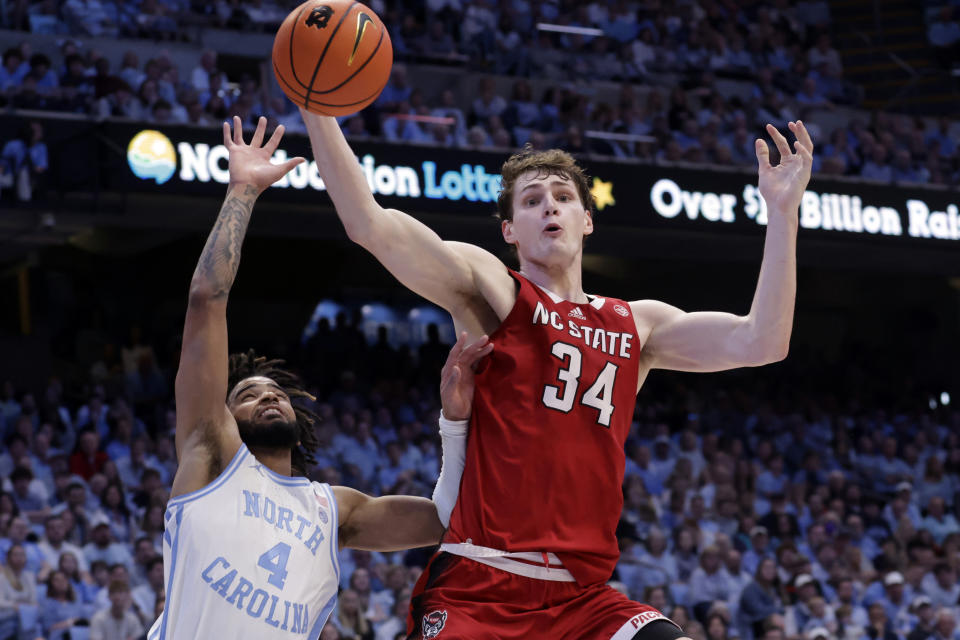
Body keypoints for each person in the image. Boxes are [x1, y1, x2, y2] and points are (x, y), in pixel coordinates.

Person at [299, 103, 813, 640]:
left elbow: (763, 342)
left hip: (584, 602)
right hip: (481, 585)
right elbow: (369, 224)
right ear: (510, 230)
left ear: (586, 220)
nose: (551, 207)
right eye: (532, 200)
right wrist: (316, 109)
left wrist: (782, 213)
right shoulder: (494, 291)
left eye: (564, 198)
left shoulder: (638, 324)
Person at [146, 117, 492, 639]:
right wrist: (243, 190)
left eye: (275, 392)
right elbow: (206, 299)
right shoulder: (211, 454)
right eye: (247, 394)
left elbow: (448, 518)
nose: (268, 395)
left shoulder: (334, 508)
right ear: (225, 416)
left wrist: (455, 420)